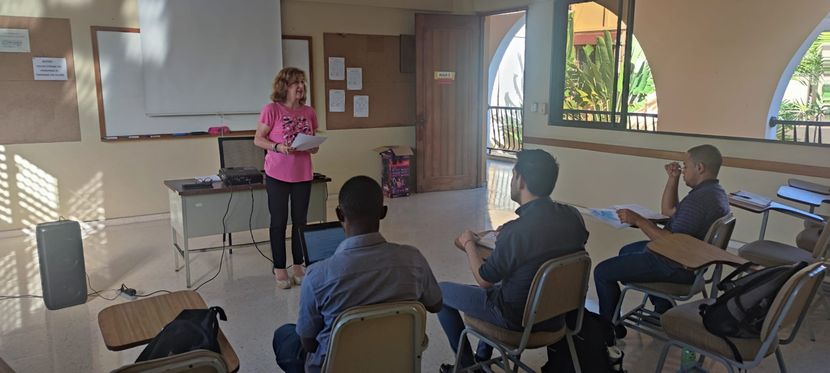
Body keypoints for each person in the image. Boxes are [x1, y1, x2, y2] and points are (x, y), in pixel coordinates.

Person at [437, 149, 590, 372]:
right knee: (505, 282)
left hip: (516, 320)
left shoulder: (517, 232)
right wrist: (506, 237)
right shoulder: (573, 217)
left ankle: (466, 366)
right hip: (558, 317)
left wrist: (470, 243)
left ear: (520, 180)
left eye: (512, 175)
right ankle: (482, 357)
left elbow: (484, 279)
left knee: (441, 292)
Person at [272, 176, 443, 373]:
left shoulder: (318, 275)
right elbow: (435, 304)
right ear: (383, 212)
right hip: (394, 363)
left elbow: (308, 343)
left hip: (335, 366)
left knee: (284, 334)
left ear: (339, 214)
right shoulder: (413, 259)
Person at [593, 144, 730, 337]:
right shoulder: (713, 192)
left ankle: (609, 330)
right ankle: (661, 310)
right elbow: (668, 211)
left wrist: (639, 221)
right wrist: (672, 179)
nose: (683, 171)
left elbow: (673, 242)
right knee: (626, 251)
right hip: (690, 260)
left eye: (686, 166)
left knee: (602, 271)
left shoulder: (699, 201)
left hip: (675, 264)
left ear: (699, 168)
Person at [254, 67, 319, 289]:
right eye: (295, 83)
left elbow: (313, 142)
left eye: (302, 82)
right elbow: (258, 139)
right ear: (284, 86)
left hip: (302, 174)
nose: (300, 86)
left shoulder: (309, 112)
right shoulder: (271, 109)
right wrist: (278, 147)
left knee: (300, 222)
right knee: (279, 222)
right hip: (277, 174)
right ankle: (280, 267)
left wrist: (312, 147)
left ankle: (298, 265)